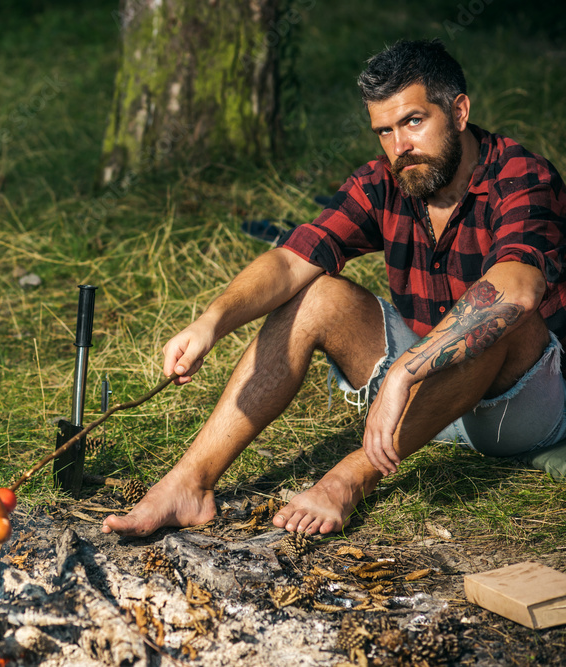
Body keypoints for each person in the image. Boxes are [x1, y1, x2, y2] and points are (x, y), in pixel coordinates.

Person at [102, 38, 566, 537]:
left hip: (517, 407)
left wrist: (403, 373)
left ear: (458, 111)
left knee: (497, 318)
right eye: (384, 131)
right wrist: (210, 323)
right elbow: (291, 260)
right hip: (423, 400)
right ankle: (188, 485)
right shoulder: (387, 180)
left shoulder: (520, 174)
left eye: (413, 121)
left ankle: (346, 481)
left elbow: (515, 289)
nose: (399, 147)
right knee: (317, 293)